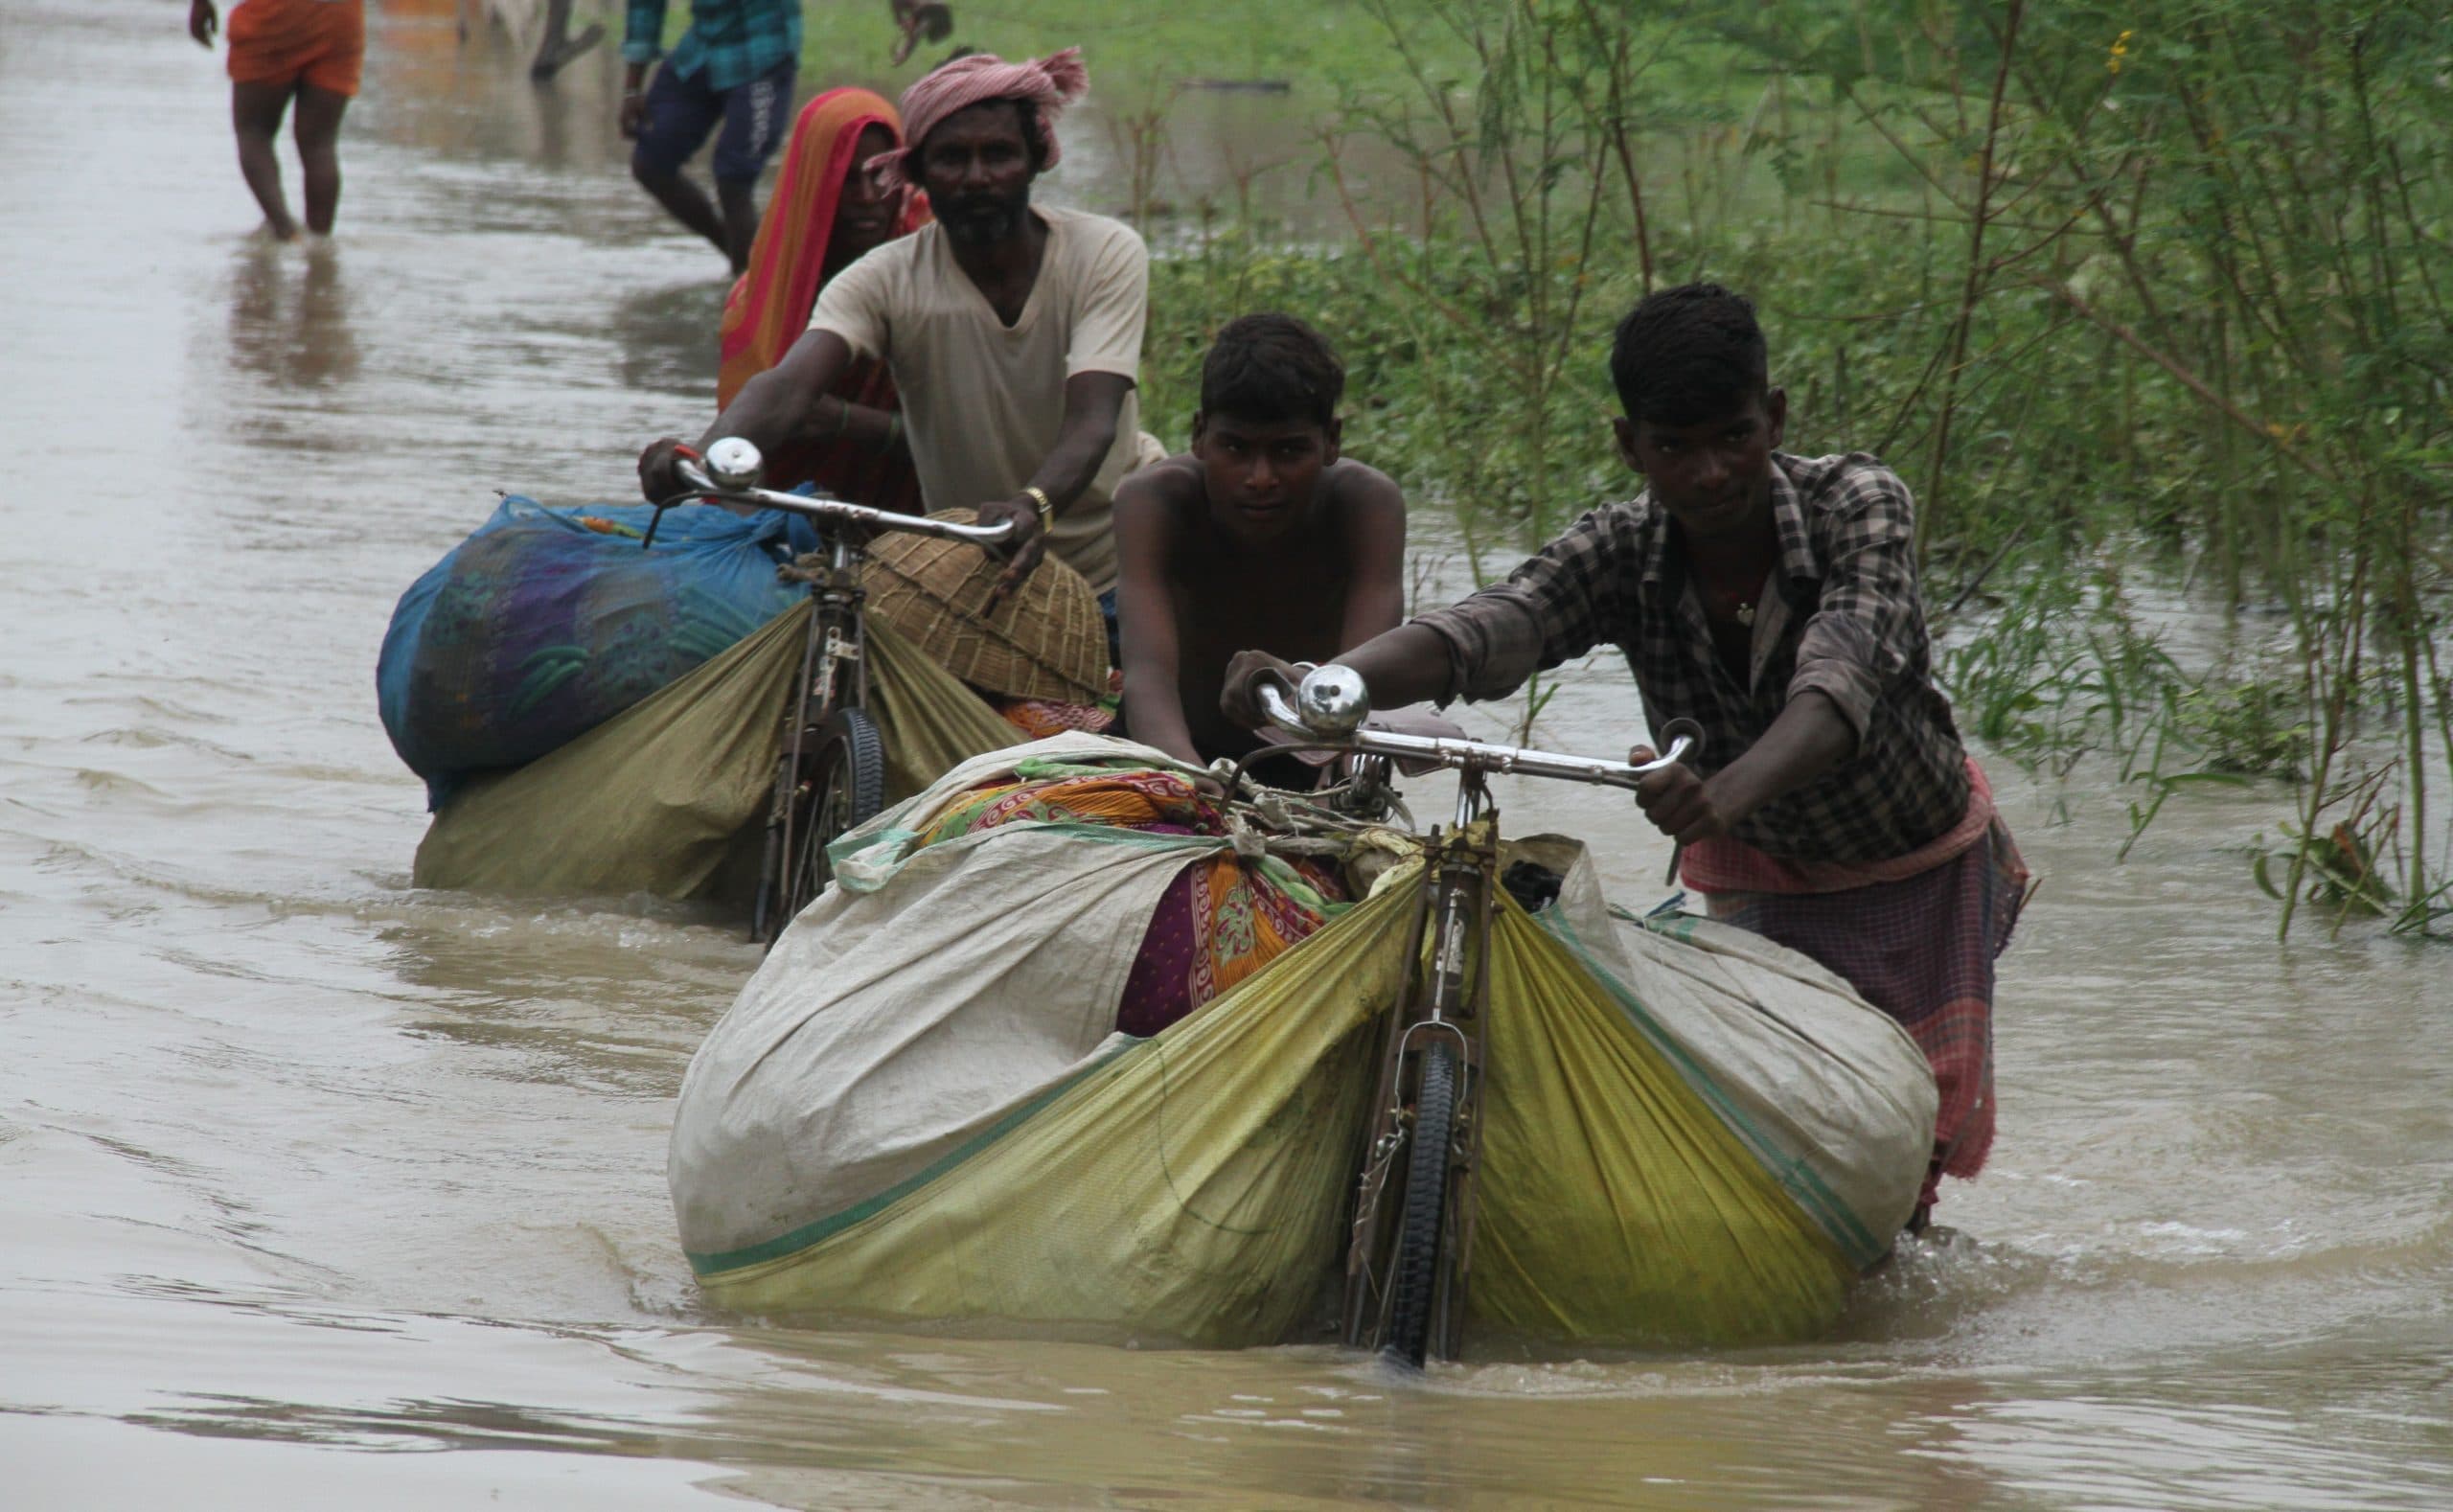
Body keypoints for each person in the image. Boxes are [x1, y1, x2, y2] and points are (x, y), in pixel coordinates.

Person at [1220, 283, 2027, 1232]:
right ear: (1630, 446)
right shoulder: (1622, 548)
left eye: (1734, 436)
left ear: (1772, 419)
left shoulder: (1856, 502)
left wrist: (1724, 794)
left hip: (1911, 870)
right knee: (1775, 1122)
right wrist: (1331, 686)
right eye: (1674, 448)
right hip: (1756, 875)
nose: (1711, 473)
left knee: (1900, 1155)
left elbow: (1838, 685)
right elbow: (1493, 626)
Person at [638, 46, 1166, 636]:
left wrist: (1032, 505)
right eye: (951, 159)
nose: (977, 178)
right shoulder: (883, 279)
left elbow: (1094, 418)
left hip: (1117, 569)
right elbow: (787, 386)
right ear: (916, 174)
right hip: (973, 569)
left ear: (1037, 159)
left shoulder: (1104, 253)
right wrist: (699, 458)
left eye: (998, 154)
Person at [1112, 314, 1405, 769]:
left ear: (1331, 441)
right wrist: (1190, 780)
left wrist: (1338, 789)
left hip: (1312, 758)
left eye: (1288, 451)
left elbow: (1363, 688)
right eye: (1235, 449)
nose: (1261, 478)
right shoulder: (1154, 502)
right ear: (1199, 437)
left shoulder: (1367, 506)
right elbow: (1147, 678)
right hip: (1168, 750)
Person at [716, 87, 928, 511]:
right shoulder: (759, 298)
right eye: (846, 180)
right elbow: (741, 441)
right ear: (813, 182)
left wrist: (844, 421)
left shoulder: (929, 277)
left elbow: (968, 437)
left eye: (880, 177)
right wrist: (691, 461)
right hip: (786, 518)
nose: (867, 197)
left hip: (912, 520)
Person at [619, 0, 802, 274]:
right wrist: (632, 89)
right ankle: (738, 258)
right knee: (650, 163)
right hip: (702, 48)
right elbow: (645, 8)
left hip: (763, 49)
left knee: (734, 177)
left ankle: (748, 285)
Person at [188, 0, 364, 241]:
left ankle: (285, 230)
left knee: (254, 132)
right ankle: (319, 244)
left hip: (275, 14)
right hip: (342, 15)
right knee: (320, 144)